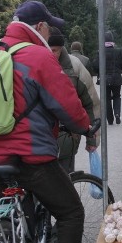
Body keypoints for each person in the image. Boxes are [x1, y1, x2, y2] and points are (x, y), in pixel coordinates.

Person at [0, 0, 94, 243]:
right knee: (70, 212)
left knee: (12, 227)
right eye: (48, 26)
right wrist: (84, 126)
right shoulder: (38, 56)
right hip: (30, 157)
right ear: (39, 27)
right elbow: (66, 103)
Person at [48, 27, 100, 173]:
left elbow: (91, 103)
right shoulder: (31, 64)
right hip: (39, 141)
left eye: (54, 50)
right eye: (47, 49)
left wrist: (92, 140)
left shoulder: (74, 66)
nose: (50, 54)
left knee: (65, 185)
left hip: (66, 140)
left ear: (61, 48)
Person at [92, 31, 122, 125]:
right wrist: (121, 68)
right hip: (116, 77)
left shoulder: (100, 52)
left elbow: (95, 65)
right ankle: (117, 114)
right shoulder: (118, 51)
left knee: (106, 98)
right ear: (112, 40)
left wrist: (99, 71)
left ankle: (110, 119)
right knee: (117, 96)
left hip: (104, 79)